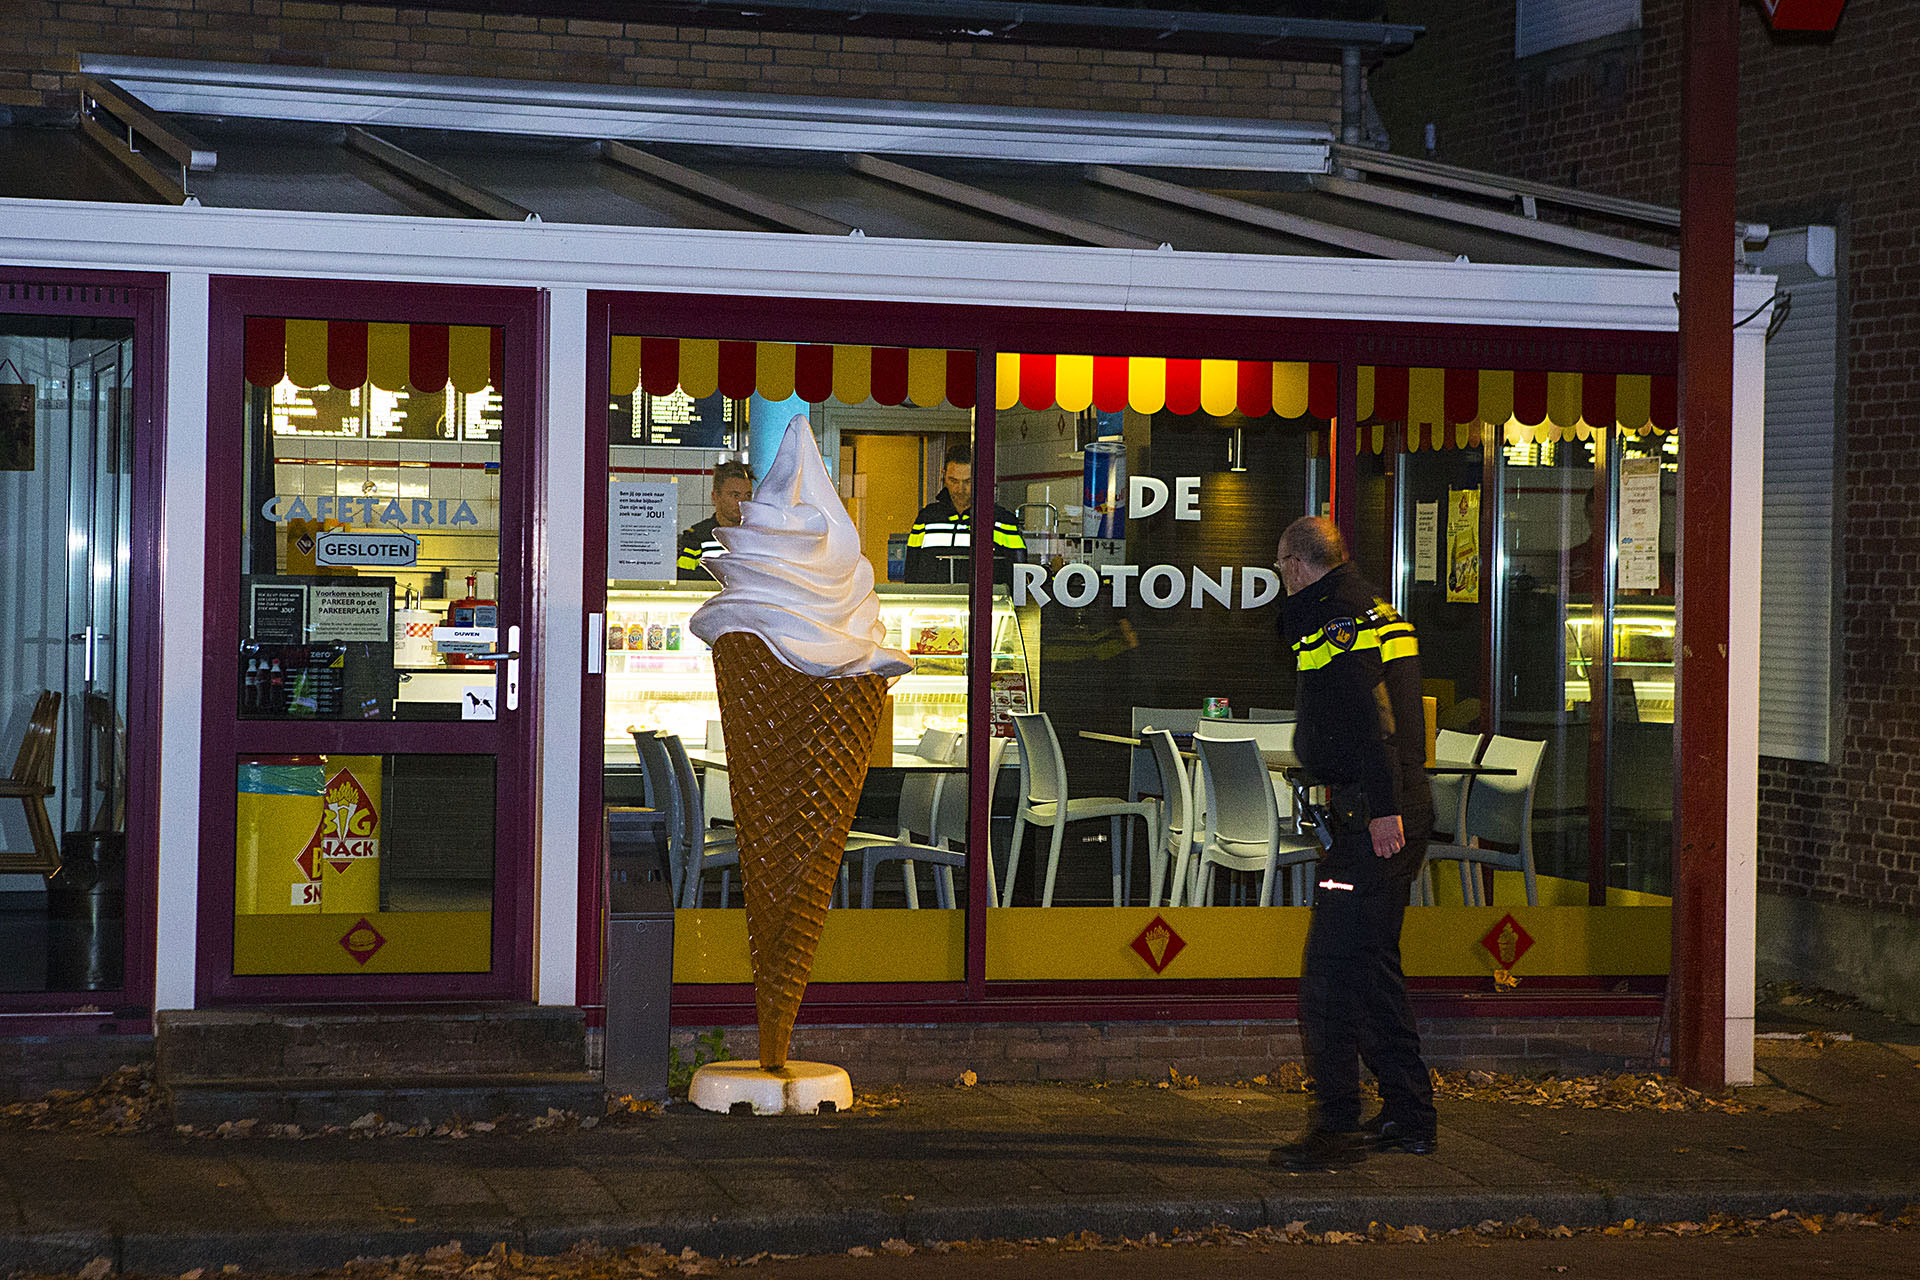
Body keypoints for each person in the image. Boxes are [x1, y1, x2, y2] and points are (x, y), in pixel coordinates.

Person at [1270, 515, 1438, 1172]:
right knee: (1371, 969)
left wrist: (1380, 809)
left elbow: (1373, 719)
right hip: (1390, 806)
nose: (1280, 578)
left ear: (1298, 562)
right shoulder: (1372, 609)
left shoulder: (1337, 618)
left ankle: (1336, 1127)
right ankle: (1408, 1114)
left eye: (1282, 566)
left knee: (1330, 976)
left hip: (1373, 814)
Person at [903, 443, 1026, 585]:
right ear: (944, 476)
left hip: (984, 606)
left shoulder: (1002, 521)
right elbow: (911, 570)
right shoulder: (927, 518)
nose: (960, 489)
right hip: (934, 604)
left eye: (968, 481)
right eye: (953, 480)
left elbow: (1018, 576)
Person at [676, 460, 753, 581]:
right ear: (715, 497)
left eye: (748, 496)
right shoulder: (697, 537)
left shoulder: (756, 536)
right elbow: (684, 581)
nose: (742, 503)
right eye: (735, 495)